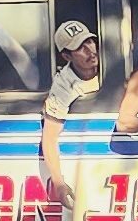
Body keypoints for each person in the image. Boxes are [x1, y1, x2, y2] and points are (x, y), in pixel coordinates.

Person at [41, 19, 100, 208]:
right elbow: (49, 138)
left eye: (90, 41)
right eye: (80, 47)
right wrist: (59, 183)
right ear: (67, 56)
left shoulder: (109, 60)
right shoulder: (62, 85)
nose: (90, 51)